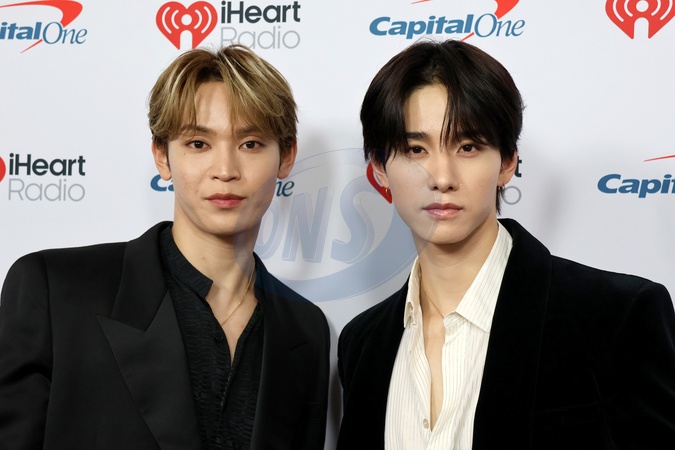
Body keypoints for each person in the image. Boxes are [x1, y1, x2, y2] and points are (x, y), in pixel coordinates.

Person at [337, 39, 675, 449]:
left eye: (467, 147)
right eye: (415, 149)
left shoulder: (616, 316)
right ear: (379, 169)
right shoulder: (362, 343)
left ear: (508, 162)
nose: (441, 178)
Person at [0, 45, 329, 450]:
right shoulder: (56, 290)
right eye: (198, 143)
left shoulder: (305, 330)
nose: (225, 170)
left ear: (287, 157)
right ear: (162, 156)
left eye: (251, 144)